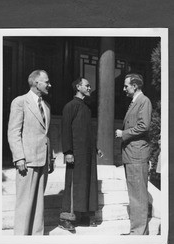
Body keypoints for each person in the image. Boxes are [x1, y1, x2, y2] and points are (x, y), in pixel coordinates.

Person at [8, 69, 54, 235]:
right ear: (36, 83)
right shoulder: (20, 102)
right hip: (26, 160)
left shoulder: (46, 106)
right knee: (24, 202)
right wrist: (19, 157)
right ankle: (20, 238)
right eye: (46, 81)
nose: (50, 84)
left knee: (38, 203)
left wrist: (51, 157)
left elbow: (46, 134)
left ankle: (36, 236)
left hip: (43, 159)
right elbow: (14, 132)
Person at [59, 77, 103, 231]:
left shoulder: (86, 107)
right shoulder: (70, 106)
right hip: (75, 153)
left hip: (88, 153)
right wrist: (68, 151)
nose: (90, 88)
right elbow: (65, 131)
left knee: (88, 182)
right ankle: (66, 219)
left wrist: (95, 148)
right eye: (87, 85)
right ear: (78, 87)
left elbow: (87, 132)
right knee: (73, 184)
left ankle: (85, 216)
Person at [115, 73, 152, 235]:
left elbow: (144, 126)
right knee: (135, 194)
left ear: (135, 86)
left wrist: (123, 133)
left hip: (137, 154)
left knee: (138, 195)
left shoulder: (144, 101)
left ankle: (138, 232)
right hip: (132, 154)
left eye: (126, 86)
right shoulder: (135, 102)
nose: (124, 89)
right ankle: (137, 231)